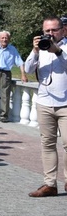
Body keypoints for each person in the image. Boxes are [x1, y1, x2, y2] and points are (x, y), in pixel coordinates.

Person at [24, 17, 67, 197]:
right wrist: (35, 51)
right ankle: (50, 184)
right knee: (47, 144)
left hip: (65, 103)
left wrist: (57, 51)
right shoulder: (40, 47)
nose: (50, 34)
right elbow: (27, 69)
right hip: (44, 102)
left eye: (54, 30)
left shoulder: (63, 48)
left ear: (63, 30)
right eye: (47, 31)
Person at [0, 30, 27, 122]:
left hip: (6, 74)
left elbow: (20, 63)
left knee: (5, 95)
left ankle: (4, 116)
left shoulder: (12, 49)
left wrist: (23, 75)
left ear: (9, 39)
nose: (4, 39)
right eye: (2, 38)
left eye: (6, 38)